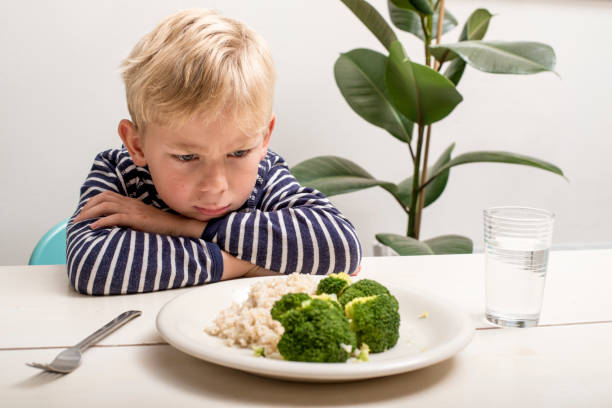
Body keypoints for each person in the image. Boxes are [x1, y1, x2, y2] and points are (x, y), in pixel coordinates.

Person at [66, 9, 362, 295]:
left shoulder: (265, 174)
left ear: (263, 139)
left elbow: (342, 246)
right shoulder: (119, 173)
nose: (215, 186)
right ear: (137, 145)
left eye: (238, 153)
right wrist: (240, 265)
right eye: (186, 157)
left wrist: (178, 226)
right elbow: (94, 267)